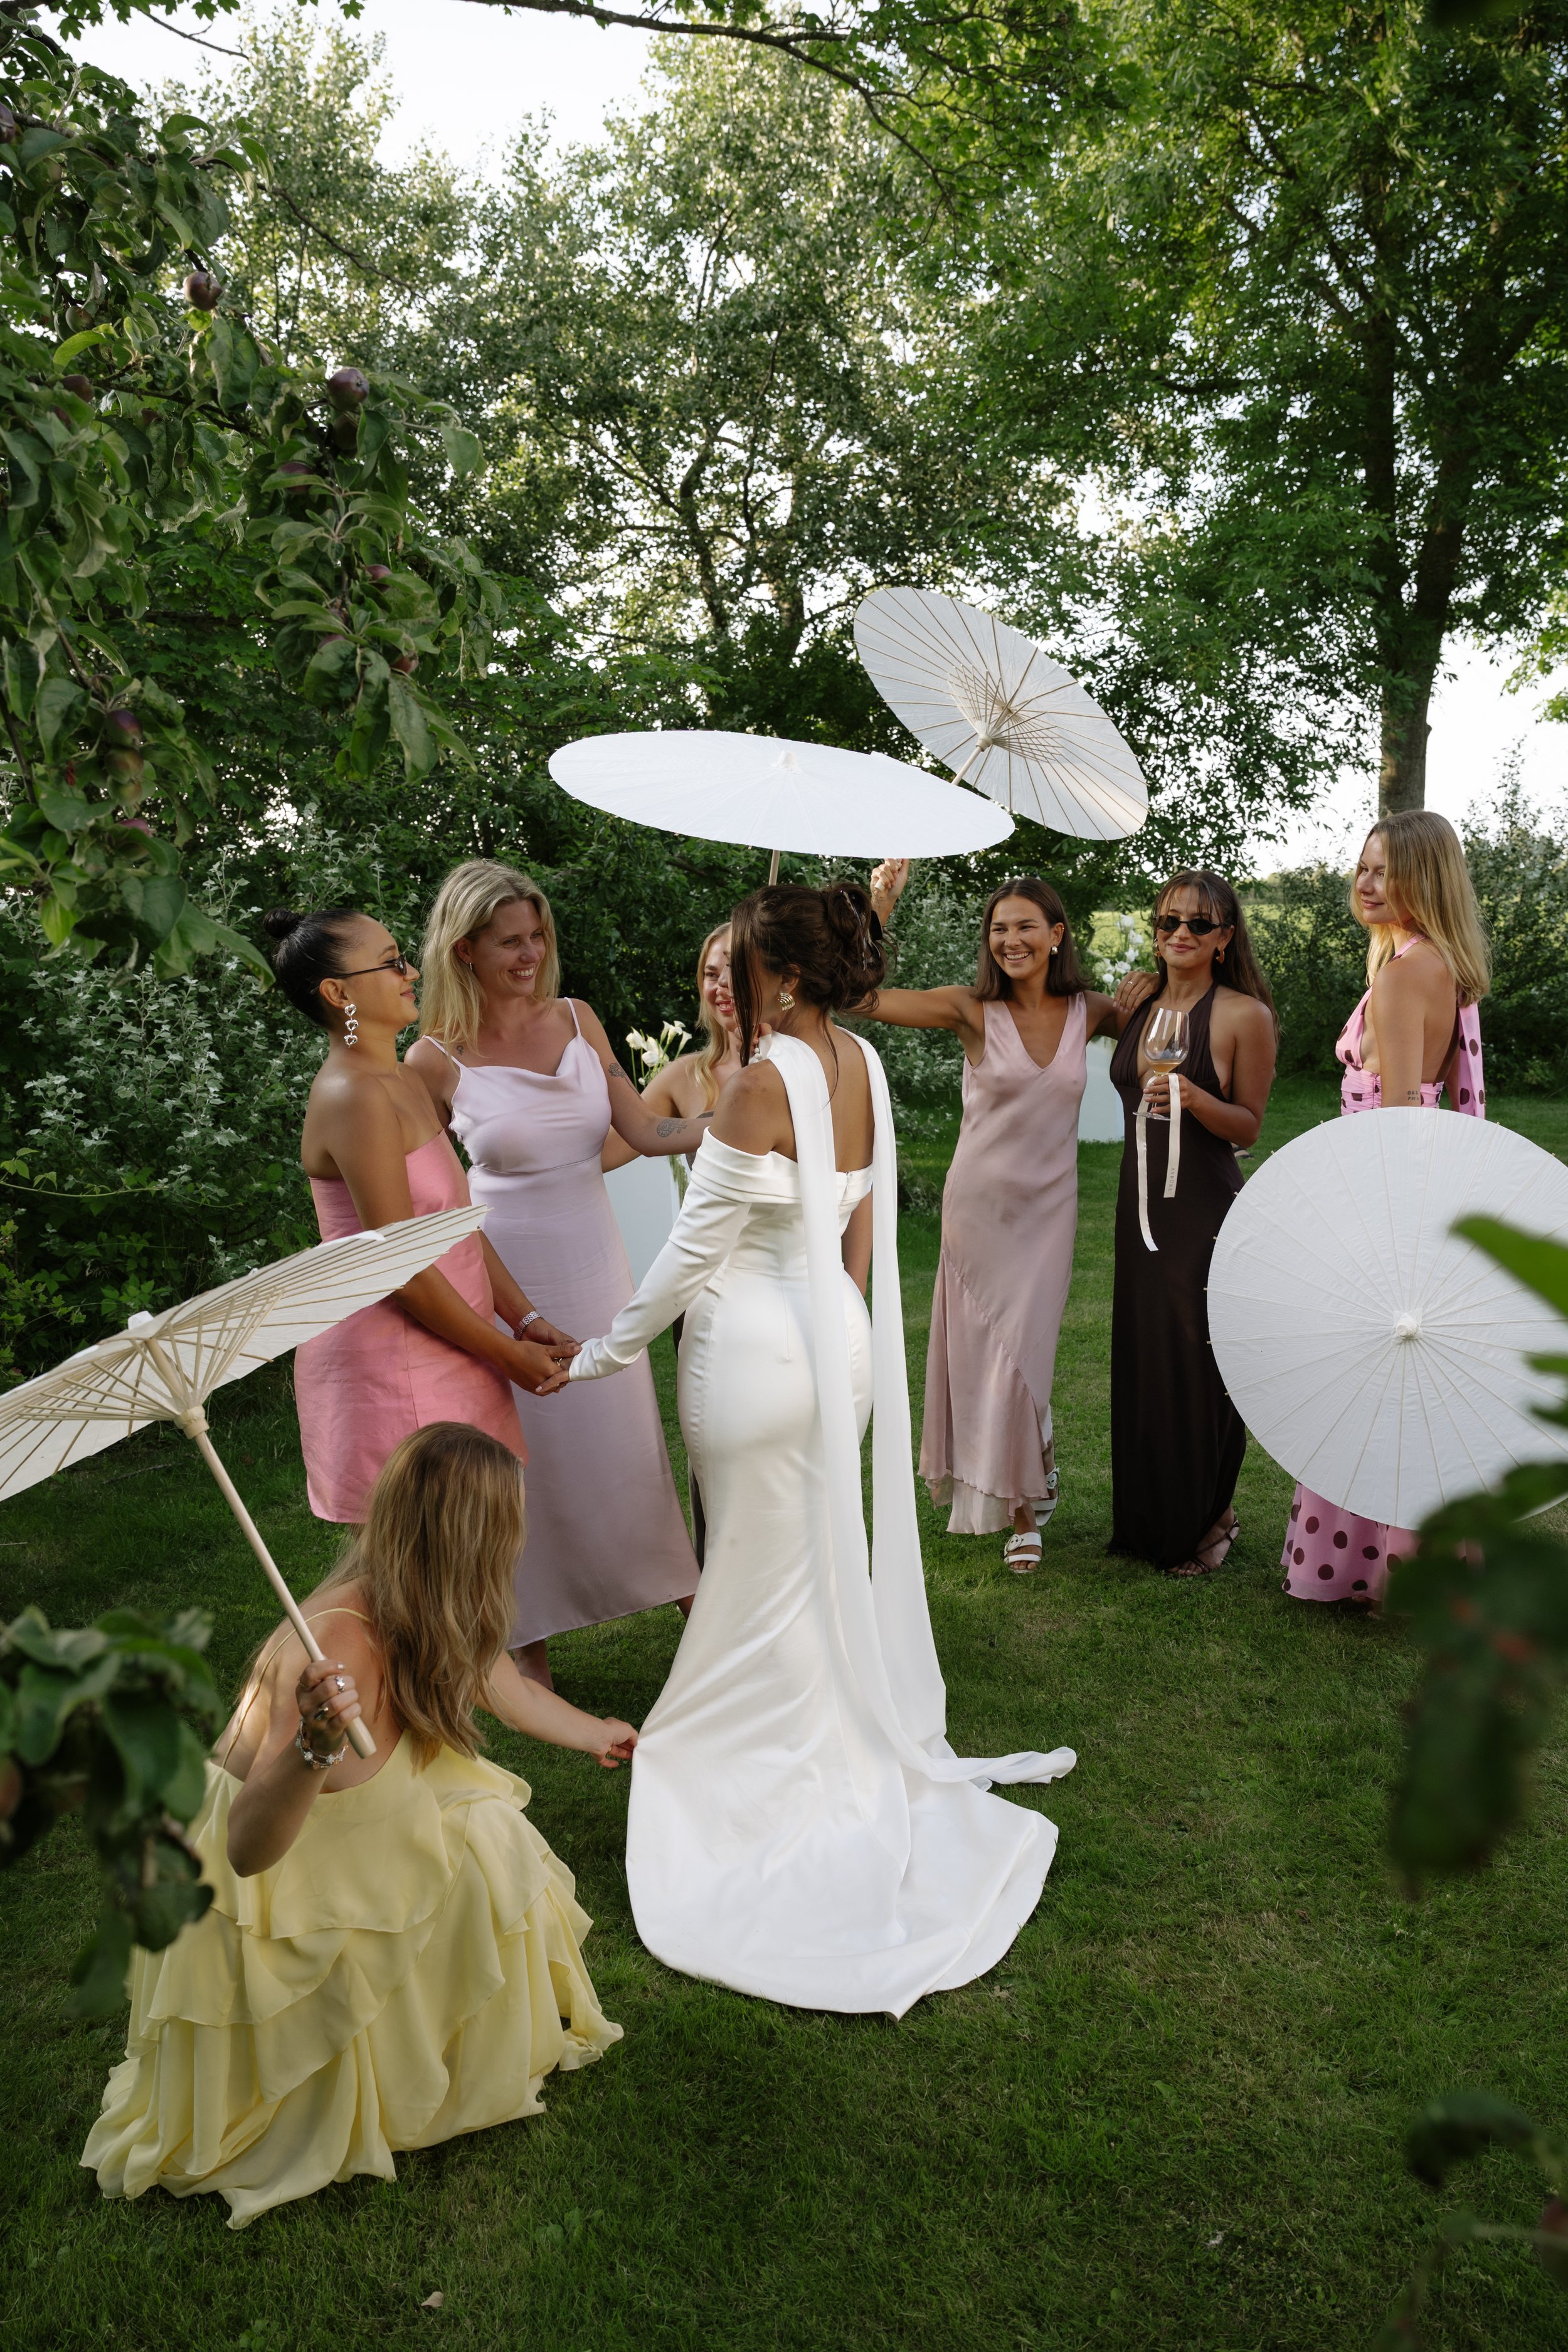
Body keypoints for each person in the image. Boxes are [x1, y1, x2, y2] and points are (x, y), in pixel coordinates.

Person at [549, 882, 1076, 2018]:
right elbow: (856, 1228)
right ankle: (820, 1744)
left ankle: (753, 1773)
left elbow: (692, 1257)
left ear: (775, 975)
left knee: (750, 1563)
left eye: (739, 956)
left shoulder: (752, 1085)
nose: (729, 972)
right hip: (837, 1342)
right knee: (802, 1571)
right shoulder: (866, 1070)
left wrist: (595, 1355)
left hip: (748, 1354)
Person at [82, 1422, 635, 2229]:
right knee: (478, 1838)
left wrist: (595, 1732)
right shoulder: (335, 1642)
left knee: (488, 1829)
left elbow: (502, 1685)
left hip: (346, 1829)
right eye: (510, 1526)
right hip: (271, 1870)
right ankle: (358, 2075)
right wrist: (312, 1743)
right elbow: (248, 1849)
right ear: (466, 1543)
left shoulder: (425, 1603)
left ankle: (457, 2045)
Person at [406, 863, 706, 1689]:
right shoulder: (432, 1062)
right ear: (464, 948)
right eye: (512, 940)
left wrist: (737, 1123)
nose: (531, 952)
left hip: (598, 1266)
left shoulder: (579, 1020)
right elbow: (429, 1200)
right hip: (504, 1273)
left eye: (539, 936)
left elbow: (644, 1131)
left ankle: (696, 1608)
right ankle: (526, 1646)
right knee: (524, 1464)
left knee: (626, 1445)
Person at [267, 907, 576, 1525]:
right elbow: (401, 1270)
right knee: (422, 1580)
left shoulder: (400, 1080)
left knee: (476, 1563)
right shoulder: (354, 1095)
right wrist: (504, 1354)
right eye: (389, 963)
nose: (410, 970)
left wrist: (525, 1318)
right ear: (338, 992)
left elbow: (454, 1221)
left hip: (458, 1342)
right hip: (395, 1364)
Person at [865, 864, 1120, 1569]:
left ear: (1056, 935)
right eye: (999, 928)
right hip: (978, 1211)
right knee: (994, 1359)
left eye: (1025, 927)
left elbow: (1172, 1029)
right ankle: (1021, 1511)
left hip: (1050, 1214)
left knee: (1027, 1356)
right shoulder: (968, 1009)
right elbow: (860, 999)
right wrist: (879, 907)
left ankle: (1027, 1473)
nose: (1011, 940)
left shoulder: (1091, 1012)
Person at [1282, 812, 1489, 1606]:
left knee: (1370, 1385)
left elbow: (1404, 1107)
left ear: (1422, 879)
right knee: (1404, 1390)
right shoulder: (1438, 965)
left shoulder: (1404, 975)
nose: (1364, 883)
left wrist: (1381, 1227)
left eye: (1383, 870)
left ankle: (1373, 1568)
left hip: (1388, 1196)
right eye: (1361, 867)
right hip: (1409, 1188)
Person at [1110, 871, 1277, 1577]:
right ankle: (1150, 1521)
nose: (1178, 934)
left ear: (1223, 939)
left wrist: (1190, 1097)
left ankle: (1214, 1516)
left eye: (1197, 926)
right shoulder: (1138, 1003)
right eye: (1167, 922)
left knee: (1199, 1361)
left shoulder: (1244, 1015)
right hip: (1137, 1201)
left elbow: (1248, 1125)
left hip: (1202, 1207)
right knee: (1146, 1357)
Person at [630, 920, 742, 1562]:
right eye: (710, 972)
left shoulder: (807, 1066)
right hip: (704, 1292)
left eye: (734, 969)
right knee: (711, 1448)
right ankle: (720, 1598)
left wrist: (854, 1283)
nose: (720, 985)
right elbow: (616, 1143)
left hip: (790, 1282)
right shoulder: (679, 1078)